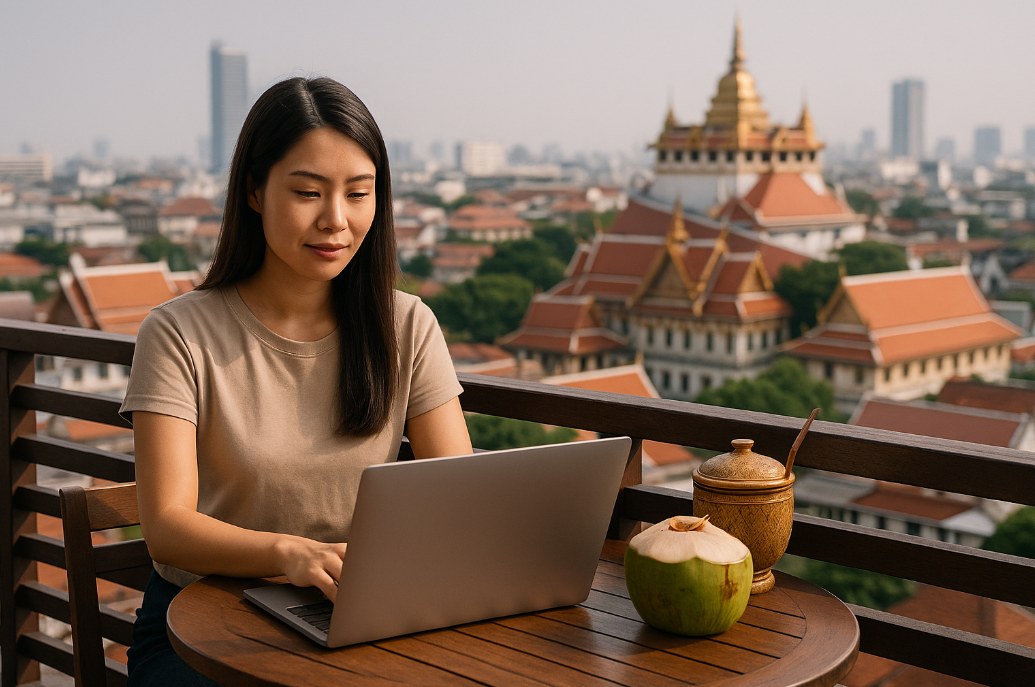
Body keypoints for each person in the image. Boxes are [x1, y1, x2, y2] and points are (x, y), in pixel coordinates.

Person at [120, 77, 473, 686]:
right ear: (254, 191)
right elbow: (167, 527)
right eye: (308, 192)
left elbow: (458, 495)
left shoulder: (407, 324)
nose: (336, 220)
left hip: (355, 614)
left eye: (358, 194)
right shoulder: (178, 334)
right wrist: (289, 553)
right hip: (201, 625)